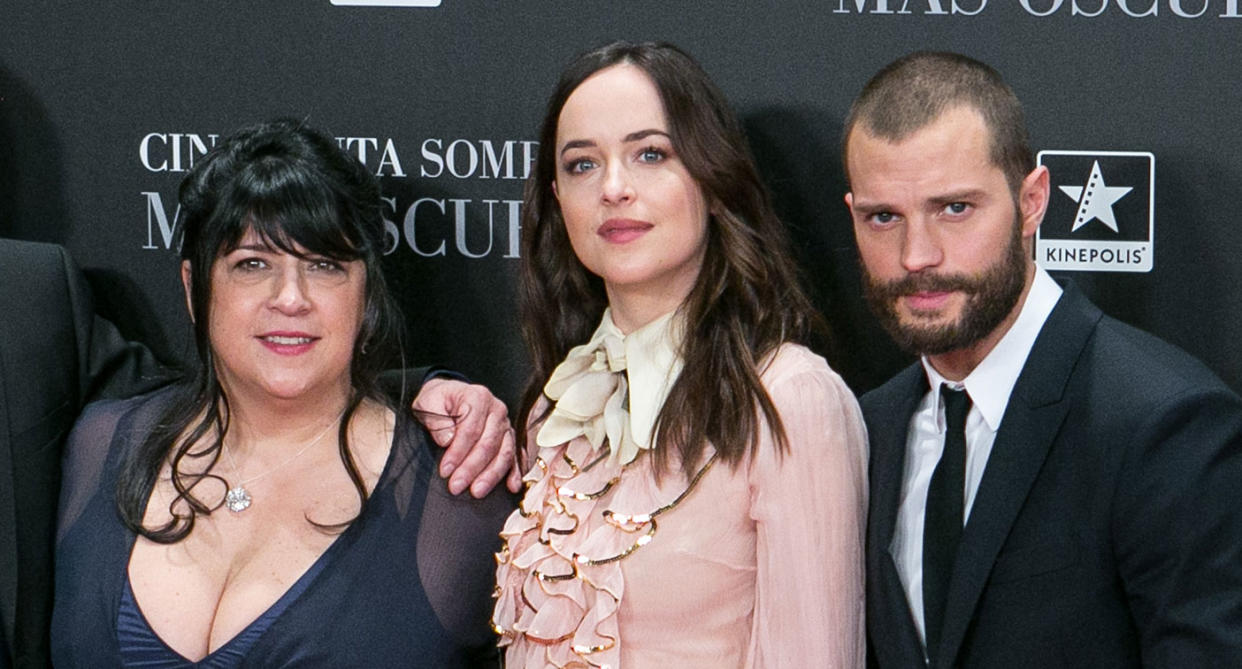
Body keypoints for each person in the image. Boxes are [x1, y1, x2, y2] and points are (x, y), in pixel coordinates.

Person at [49, 119, 514, 667]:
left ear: (365, 295)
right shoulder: (99, 447)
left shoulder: (456, 495)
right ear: (193, 288)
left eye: (324, 265)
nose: (290, 298)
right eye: (252, 264)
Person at [844, 51, 1242, 668]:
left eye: (955, 208)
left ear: (1032, 202)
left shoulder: (1164, 424)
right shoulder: (866, 427)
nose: (915, 254)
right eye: (883, 217)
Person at [492, 41, 868, 668]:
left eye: (650, 154)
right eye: (582, 165)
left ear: (713, 182)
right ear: (557, 197)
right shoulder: (555, 411)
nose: (613, 188)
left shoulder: (789, 399)